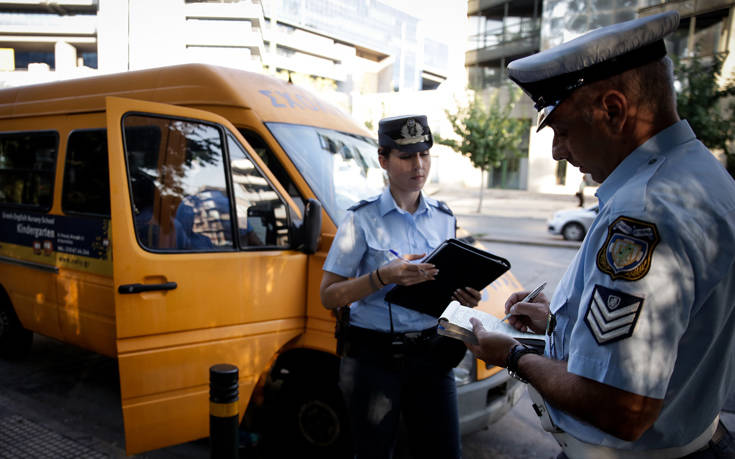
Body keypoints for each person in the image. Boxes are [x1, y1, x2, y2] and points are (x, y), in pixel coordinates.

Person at [466, 11, 735, 458]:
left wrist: (512, 355)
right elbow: (679, 333)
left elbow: (622, 409)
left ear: (613, 110)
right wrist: (558, 322)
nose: (557, 150)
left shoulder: (642, 213)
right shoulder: (706, 177)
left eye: (563, 130)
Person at [320, 114, 482, 458]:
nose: (418, 165)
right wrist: (383, 277)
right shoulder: (360, 218)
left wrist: (465, 298)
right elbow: (328, 295)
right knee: (374, 452)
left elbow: (447, 285)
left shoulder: (444, 216)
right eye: (407, 156)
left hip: (433, 355)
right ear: (383, 160)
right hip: (375, 359)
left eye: (424, 154)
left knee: (443, 451)